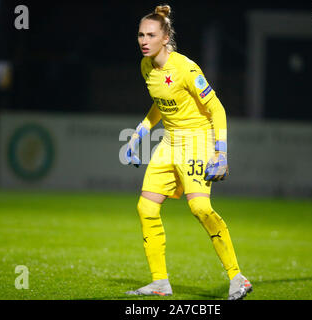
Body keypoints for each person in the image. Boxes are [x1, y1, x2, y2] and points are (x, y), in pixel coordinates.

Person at [124, 4, 252, 300]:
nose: (144, 40)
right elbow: (162, 103)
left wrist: (221, 153)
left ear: (165, 37)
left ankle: (238, 278)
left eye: (151, 35)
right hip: (169, 142)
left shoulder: (186, 68)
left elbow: (216, 108)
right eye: (141, 34)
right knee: (146, 208)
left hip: (197, 141)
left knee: (200, 209)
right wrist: (139, 134)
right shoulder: (146, 67)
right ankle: (160, 283)